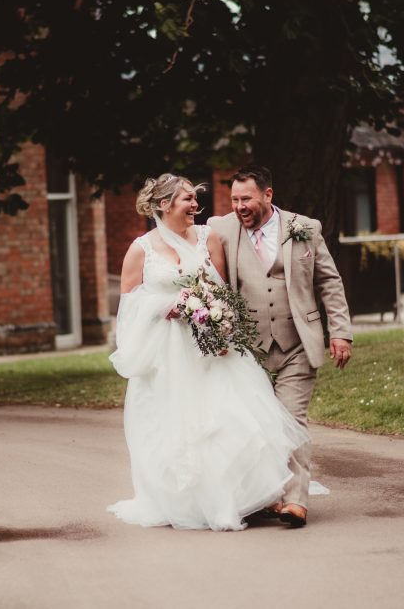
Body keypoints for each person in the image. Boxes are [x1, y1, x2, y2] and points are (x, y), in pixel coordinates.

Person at [107, 173, 308, 532]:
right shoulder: (142, 249)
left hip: (214, 348)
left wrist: (215, 314)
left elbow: (224, 288)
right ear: (165, 204)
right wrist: (167, 304)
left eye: (194, 199)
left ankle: (246, 496)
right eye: (187, 199)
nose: (195, 205)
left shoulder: (207, 237)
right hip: (169, 355)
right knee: (179, 427)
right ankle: (191, 502)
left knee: (231, 419)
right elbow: (130, 306)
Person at [208, 165, 353, 528]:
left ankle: (295, 501)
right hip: (247, 348)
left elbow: (329, 283)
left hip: (297, 344)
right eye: (235, 199)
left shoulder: (305, 228)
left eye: (247, 199)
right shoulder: (220, 229)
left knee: (291, 419)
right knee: (253, 426)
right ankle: (263, 497)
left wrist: (340, 332)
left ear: (268, 195)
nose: (240, 206)